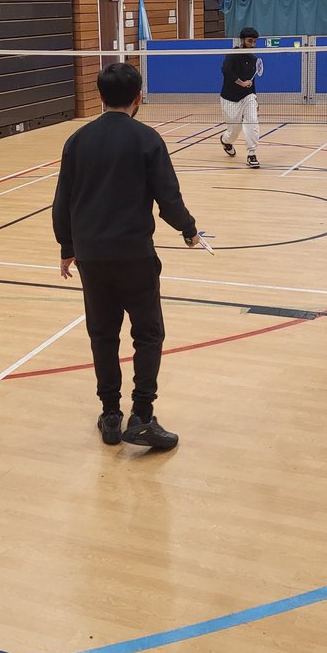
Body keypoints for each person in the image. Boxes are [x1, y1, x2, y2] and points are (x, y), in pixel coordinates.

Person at [52, 62, 200, 451]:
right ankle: (142, 417)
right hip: (135, 256)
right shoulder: (147, 139)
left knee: (102, 335)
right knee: (148, 333)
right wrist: (188, 229)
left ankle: (111, 416)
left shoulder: (77, 141)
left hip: (92, 258)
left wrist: (67, 248)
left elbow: (62, 202)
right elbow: (168, 199)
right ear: (137, 98)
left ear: (100, 97)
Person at [219, 26, 260, 169]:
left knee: (252, 122)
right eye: (250, 41)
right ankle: (225, 140)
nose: (252, 44)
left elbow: (252, 81)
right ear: (242, 40)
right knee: (234, 131)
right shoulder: (233, 54)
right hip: (230, 98)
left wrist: (255, 98)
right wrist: (241, 83)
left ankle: (252, 154)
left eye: (255, 42)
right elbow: (226, 71)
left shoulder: (254, 59)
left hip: (247, 97)